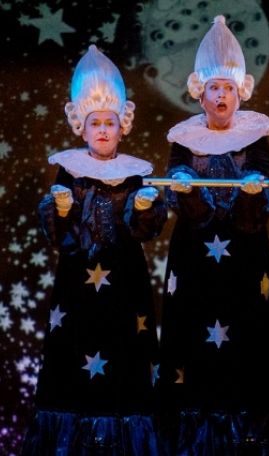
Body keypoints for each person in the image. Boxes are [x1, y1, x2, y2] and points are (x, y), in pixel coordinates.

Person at [21, 45, 167, 455]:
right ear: (81, 128)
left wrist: (143, 208)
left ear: (123, 126)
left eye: (110, 122)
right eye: (95, 123)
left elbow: (144, 229)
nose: (103, 130)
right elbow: (59, 235)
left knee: (125, 354)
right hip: (78, 287)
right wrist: (60, 208)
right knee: (75, 355)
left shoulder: (134, 174)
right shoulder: (69, 170)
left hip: (125, 284)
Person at [158, 15, 269, 455]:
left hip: (245, 255)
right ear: (201, 93)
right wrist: (184, 188)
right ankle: (191, 430)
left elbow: (259, 197)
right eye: (214, 87)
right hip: (194, 254)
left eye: (228, 88)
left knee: (246, 331)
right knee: (193, 336)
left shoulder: (256, 137)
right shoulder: (184, 138)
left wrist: (252, 191)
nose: (221, 96)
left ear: (239, 92)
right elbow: (176, 184)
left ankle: (250, 427)